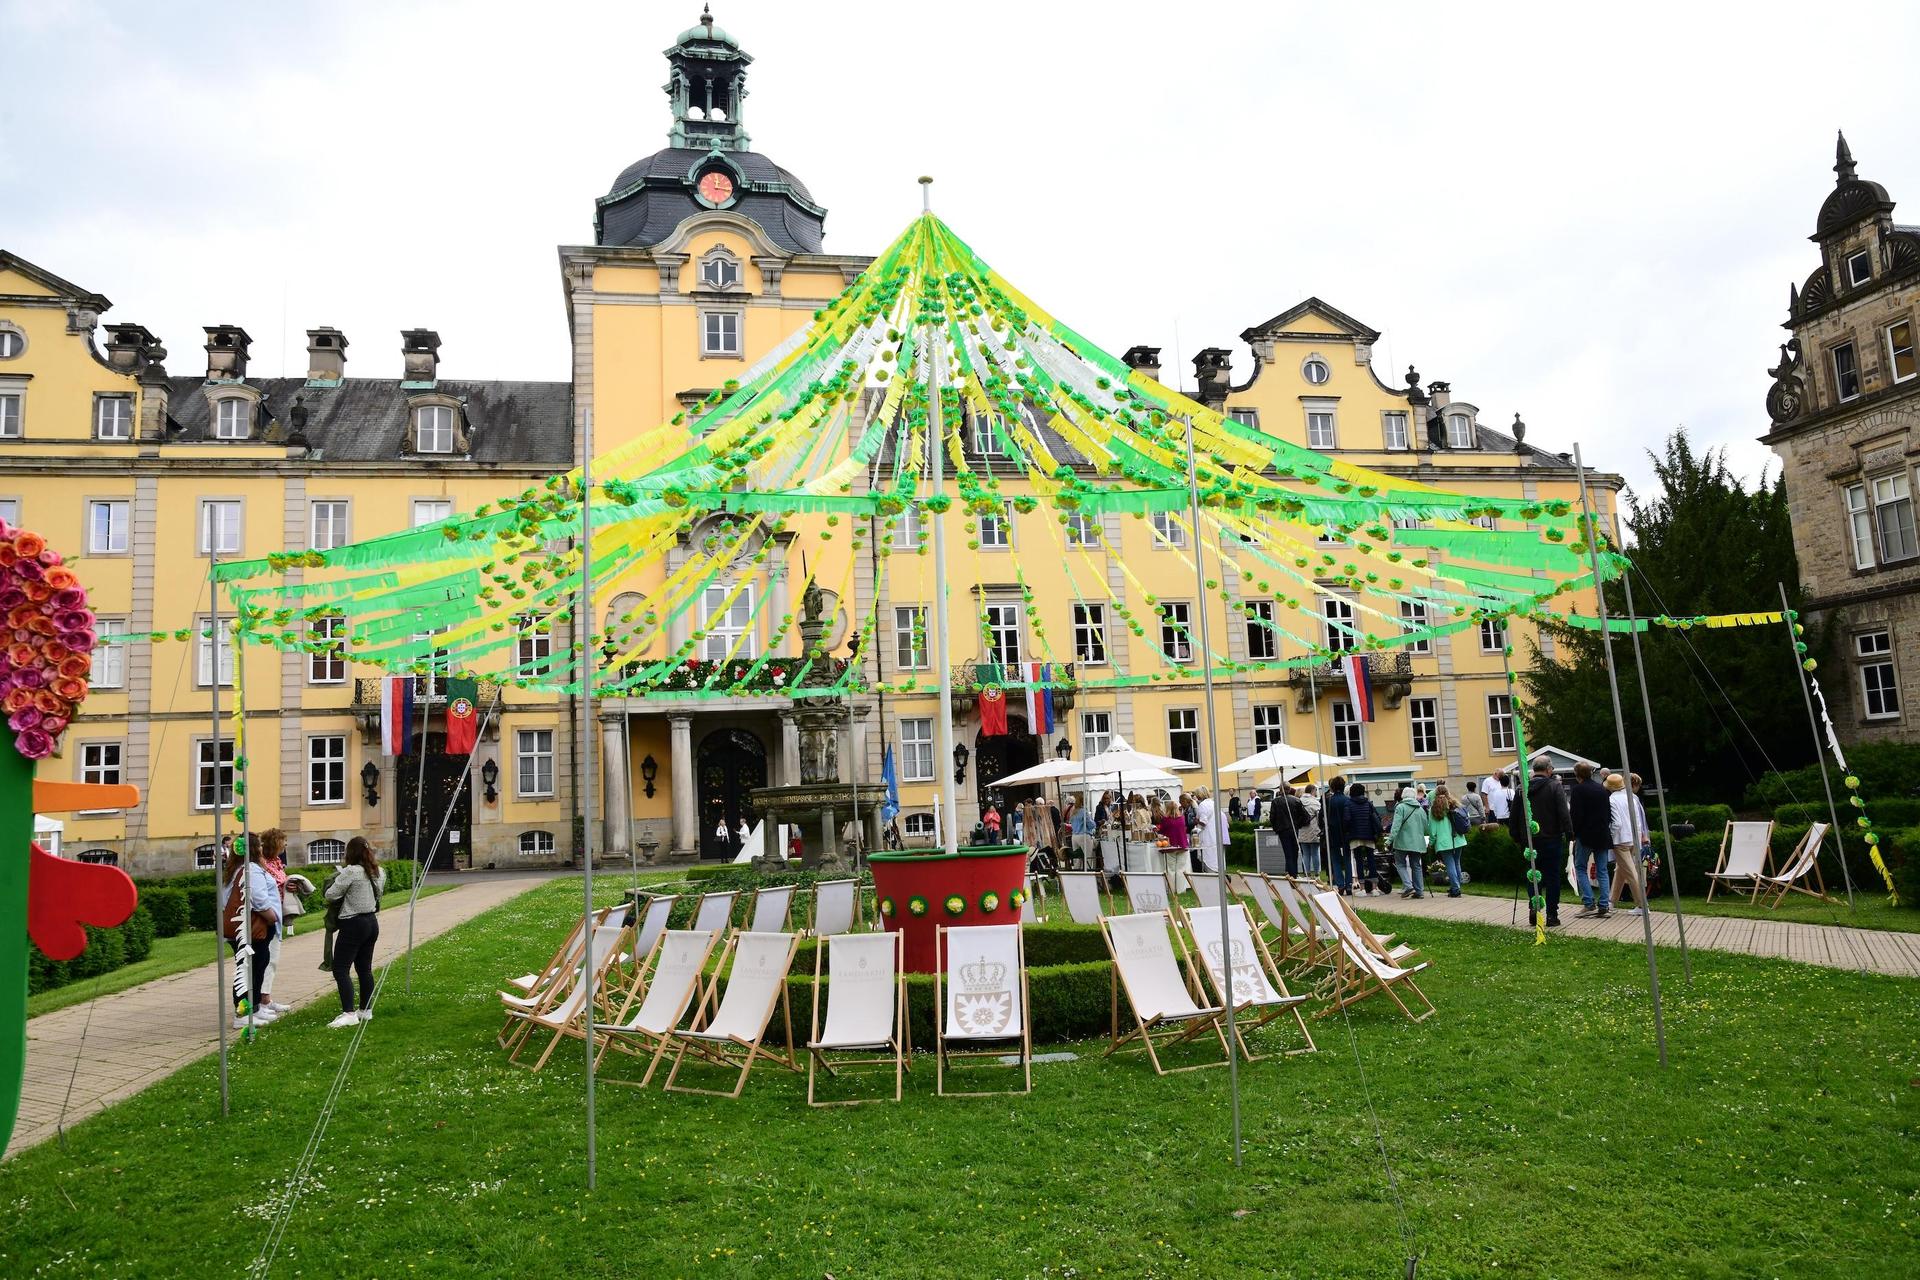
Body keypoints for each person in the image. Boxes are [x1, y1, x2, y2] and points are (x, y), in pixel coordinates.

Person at [325, 836, 386, 1029]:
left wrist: (338, 876)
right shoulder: (379, 871)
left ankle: (349, 1013)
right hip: (371, 922)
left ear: (350, 853)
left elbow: (330, 894)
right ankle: (365, 1010)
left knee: (341, 969)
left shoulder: (351, 871)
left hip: (353, 923)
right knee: (364, 968)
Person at [222, 841, 281, 1028]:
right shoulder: (250, 870)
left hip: (247, 926)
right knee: (248, 970)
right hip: (252, 926)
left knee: (255, 967)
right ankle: (242, 1014)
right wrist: (271, 916)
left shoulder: (237, 868)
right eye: (261, 844)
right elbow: (257, 897)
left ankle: (254, 1007)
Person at [1526, 759, 1573, 926]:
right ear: (1548, 770)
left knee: (1533, 875)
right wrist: (1569, 834)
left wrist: (1518, 837)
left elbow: (1515, 814)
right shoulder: (1554, 786)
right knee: (1552, 877)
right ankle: (1552, 914)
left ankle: (1533, 907)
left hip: (1531, 840)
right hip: (1552, 837)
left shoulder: (1522, 788)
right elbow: (1563, 812)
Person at [1567, 761, 1613, 919]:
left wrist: (1573, 832)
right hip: (1602, 834)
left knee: (1580, 867)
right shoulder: (1602, 789)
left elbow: (1576, 815)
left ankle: (1588, 903)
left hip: (1585, 835)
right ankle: (1604, 905)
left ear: (1577, 775)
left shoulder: (1578, 790)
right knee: (1602, 870)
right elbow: (1608, 813)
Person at [255, 828, 293, 1016]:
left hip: (276, 915)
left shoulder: (278, 862)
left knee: (273, 959)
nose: (286, 845)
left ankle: (266, 998)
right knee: (265, 959)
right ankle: (261, 1001)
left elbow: (280, 882)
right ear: (276, 843)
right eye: (283, 841)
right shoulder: (262, 864)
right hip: (266, 917)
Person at [1608, 772, 1651, 914]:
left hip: (1620, 839)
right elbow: (1639, 819)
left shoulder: (1612, 800)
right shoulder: (1632, 797)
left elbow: (1617, 823)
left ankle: (1642, 905)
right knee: (1621, 870)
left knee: (1630, 872)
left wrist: (1611, 836)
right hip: (1634, 837)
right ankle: (1611, 901)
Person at [1386, 782, 1429, 899]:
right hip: (1417, 842)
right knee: (1416, 866)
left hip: (1402, 842)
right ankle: (1419, 891)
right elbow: (1426, 827)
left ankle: (1408, 885)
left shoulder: (1400, 807)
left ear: (1403, 796)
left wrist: (1389, 840)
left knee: (1400, 864)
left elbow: (1396, 826)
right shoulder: (1420, 809)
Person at [1430, 785, 1469, 896]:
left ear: (1435, 794)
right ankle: (1456, 886)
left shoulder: (1434, 808)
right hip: (1458, 838)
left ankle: (1455, 889)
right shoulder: (1455, 805)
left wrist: (1431, 843)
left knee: (1450, 864)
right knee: (1456, 863)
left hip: (1443, 842)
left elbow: (1432, 830)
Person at [1347, 782, 1384, 895]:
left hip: (1355, 835)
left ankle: (1362, 888)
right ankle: (1374, 888)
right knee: (1371, 859)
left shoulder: (1348, 803)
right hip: (1369, 834)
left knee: (1359, 861)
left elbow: (1346, 820)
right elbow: (1376, 817)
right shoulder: (1368, 803)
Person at [1322, 776, 1352, 894]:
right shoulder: (1347, 800)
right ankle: (1349, 884)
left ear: (1332, 787)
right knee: (1347, 859)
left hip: (1332, 833)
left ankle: (1340, 884)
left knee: (1335, 860)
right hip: (1345, 833)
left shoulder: (1328, 800)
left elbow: (1322, 817)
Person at [1271, 785, 1309, 877]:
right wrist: (1298, 825)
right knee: (1294, 852)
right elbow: (1305, 816)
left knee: (1288, 852)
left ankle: (1292, 874)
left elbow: (1272, 817)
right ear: (1289, 789)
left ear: (1280, 790)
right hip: (1294, 829)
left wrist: (1276, 828)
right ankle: (1294, 873)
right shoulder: (1296, 800)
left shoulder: (1275, 801)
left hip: (1283, 830)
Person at [1156, 797, 1190, 889]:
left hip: (1170, 846)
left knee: (1171, 870)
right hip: (1182, 845)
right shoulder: (1182, 818)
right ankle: (1180, 890)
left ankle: (1172, 889)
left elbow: (1161, 832)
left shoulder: (1165, 820)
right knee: (1181, 869)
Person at [1193, 786, 1223, 874]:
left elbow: (1203, 822)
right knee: (1215, 857)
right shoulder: (1213, 803)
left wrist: (1196, 820)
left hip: (1207, 835)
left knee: (1208, 858)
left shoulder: (1203, 805)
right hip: (1215, 834)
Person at [1299, 784, 1323, 880]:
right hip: (1314, 830)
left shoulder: (1299, 801)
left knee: (1305, 853)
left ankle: (1307, 874)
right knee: (1315, 853)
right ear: (1313, 791)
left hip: (1302, 830)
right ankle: (1317, 874)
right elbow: (1320, 817)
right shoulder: (1315, 802)